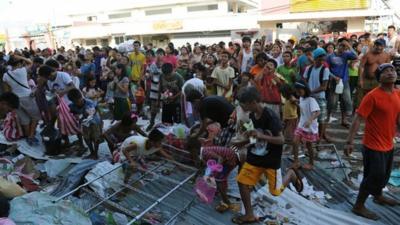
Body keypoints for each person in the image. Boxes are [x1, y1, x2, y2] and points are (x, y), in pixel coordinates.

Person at [232, 86, 303, 224]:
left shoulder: (271, 116)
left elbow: (281, 140)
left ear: (253, 102)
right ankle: (249, 214)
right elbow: (255, 136)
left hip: (271, 160)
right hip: (255, 158)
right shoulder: (252, 115)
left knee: (275, 192)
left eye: (244, 104)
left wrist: (261, 136)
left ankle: (290, 174)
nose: (242, 107)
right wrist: (245, 142)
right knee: (242, 182)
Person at [345, 63, 400, 220]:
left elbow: (397, 117)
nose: (390, 72)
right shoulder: (372, 96)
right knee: (374, 175)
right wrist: (349, 142)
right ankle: (359, 206)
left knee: (385, 175)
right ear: (379, 78)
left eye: (392, 70)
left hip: (388, 143)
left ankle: (378, 196)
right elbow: (358, 119)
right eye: (385, 71)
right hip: (373, 145)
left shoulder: (398, 94)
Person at [186, 137, 240, 213]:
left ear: (194, 150)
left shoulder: (205, 153)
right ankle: (220, 193)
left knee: (219, 181)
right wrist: (195, 177)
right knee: (216, 178)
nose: (191, 154)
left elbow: (220, 158)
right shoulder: (203, 152)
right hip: (227, 158)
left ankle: (226, 202)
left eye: (191, 152)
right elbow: (204, 166)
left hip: (230, 160)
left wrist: (216, 170)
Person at [3, 55, 41, 146]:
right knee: (35, 117)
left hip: (15, 99)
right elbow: (30, 62)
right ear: (19, 63)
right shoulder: (22, 70)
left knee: (24, 119)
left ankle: (28, 136)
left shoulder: (5, 75)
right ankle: (31, 136)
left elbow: (7, 90)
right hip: (27, 96)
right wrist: (20, 56)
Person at [326, 38, 357, 128]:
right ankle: (327, 120)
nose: (342, 48)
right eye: (341, 45)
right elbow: (326, 69)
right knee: (332, 102)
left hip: (344, 81)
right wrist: (334, 77)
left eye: (344, 46)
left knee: (346, 100)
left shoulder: (346, 55)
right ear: (337, 45)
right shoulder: (330, 56)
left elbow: (355, 56)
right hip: (334, 81)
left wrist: (349, 45)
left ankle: (344, 120)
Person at [291, 80, 320, 170]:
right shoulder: (301, 98)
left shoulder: (311, 100)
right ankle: (296, 161)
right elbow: (302, 107)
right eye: (297, 91)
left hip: (310, 127)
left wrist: (310, 120)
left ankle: (311, 163)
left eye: (300, 91)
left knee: (309, 145)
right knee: (295, 141)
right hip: (302, 124)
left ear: (305, 90)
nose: (298, 93)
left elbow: (317, 112)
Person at [303, 48, 331, 142]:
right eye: (320, 59)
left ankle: (319, 139)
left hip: (320, 98)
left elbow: (324, 87)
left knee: (321, 119)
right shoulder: (308, 69)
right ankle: (310, 138)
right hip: (310, 98)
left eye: (323, 59)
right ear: (315, 59)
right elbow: (305, 81)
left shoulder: (325, 70)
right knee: (309, 119)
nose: (322, 61)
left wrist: (310, 91)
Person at [68, 88, 103, 159]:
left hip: (94, 122)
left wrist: (101, 120)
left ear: (81, 97)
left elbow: (94, 110)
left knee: (96, 138)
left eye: (78, 101)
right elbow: (72, 112)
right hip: (84, 124)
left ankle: (95, 154)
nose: (77, 103)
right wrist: (75, 116)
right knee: (87, 138)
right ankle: (92, 152)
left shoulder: (89, 102)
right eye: (75, 102)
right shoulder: (72, 105)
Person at [357, 39, 391, 107]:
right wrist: (360, 80)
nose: (378, 47)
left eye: (381, 45)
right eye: (377, 45)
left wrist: (386, 81)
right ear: (374, 45)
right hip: (365, 79)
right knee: (361, 99)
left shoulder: (386, 55)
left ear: (384, 46)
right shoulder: (368, 54)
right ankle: (357, 113)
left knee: (376, 98)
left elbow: (387, 68)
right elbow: (361, 67)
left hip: (378, 80)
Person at [145, 49, 163, 131]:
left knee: (164, 107)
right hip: (154, 89)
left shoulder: (166, 65)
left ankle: (164, 123)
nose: (159, 56)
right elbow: (147, 75)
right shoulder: (152, 65)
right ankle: (152, 122)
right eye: (157, 54)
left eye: (161, 54)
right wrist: (149, 75)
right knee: (153, 107)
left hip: (163, 90)